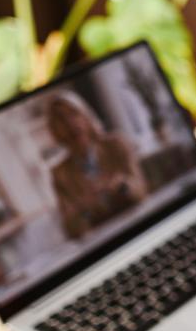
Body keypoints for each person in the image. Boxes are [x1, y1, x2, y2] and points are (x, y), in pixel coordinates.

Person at [46, 91, 146, 239]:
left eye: (74, 113)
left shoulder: (116, 144)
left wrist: (121, 186)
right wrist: (84, 209)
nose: (70, 123)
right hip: (104, 242)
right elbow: (71, 231)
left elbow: (141, 191)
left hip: (140, 226)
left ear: (86, 116)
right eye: (61, 119)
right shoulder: (59, 173)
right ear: (54, 130)